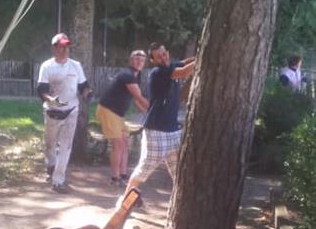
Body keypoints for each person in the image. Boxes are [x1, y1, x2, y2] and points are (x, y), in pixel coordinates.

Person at [125, 42, 196, 194]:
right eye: (159, 57)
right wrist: (206, 58)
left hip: (173, 131)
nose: (163, 58)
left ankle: (181, 202)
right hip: (156, 131)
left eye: (164, 54)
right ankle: (125, 200)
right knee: (144, 169)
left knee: (179, 171)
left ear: (167, 52)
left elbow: (184, 63)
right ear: (153, 60)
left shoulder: (171, 66)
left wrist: (198, 56)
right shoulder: (158, 72)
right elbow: (183, 72)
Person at [36, 32, 91, 193]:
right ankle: (51, 165)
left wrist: (87, 93)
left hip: (71, 110)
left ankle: (58, 181)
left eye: (67, 47)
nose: (64, 50)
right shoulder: (47, 66)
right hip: (52, 111)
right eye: (61, 47)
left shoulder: (76, 66)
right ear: (54, 48)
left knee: (66, 147)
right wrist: (50, 99)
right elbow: (41, 90)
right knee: (50, 144)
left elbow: (83, 85)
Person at [96, 50, 149, 186]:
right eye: (136, 59)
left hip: (117, 114)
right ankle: (115, 178)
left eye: (142, 60)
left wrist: (148, 113)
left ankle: (123, 175)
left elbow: (136, 100)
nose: (139, 62)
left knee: (125, 143)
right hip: (108, 110)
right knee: (118, 144)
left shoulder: (136, 76)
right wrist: (156, 111)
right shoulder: (127, 75)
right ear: (130, 60)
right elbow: (139, 97)